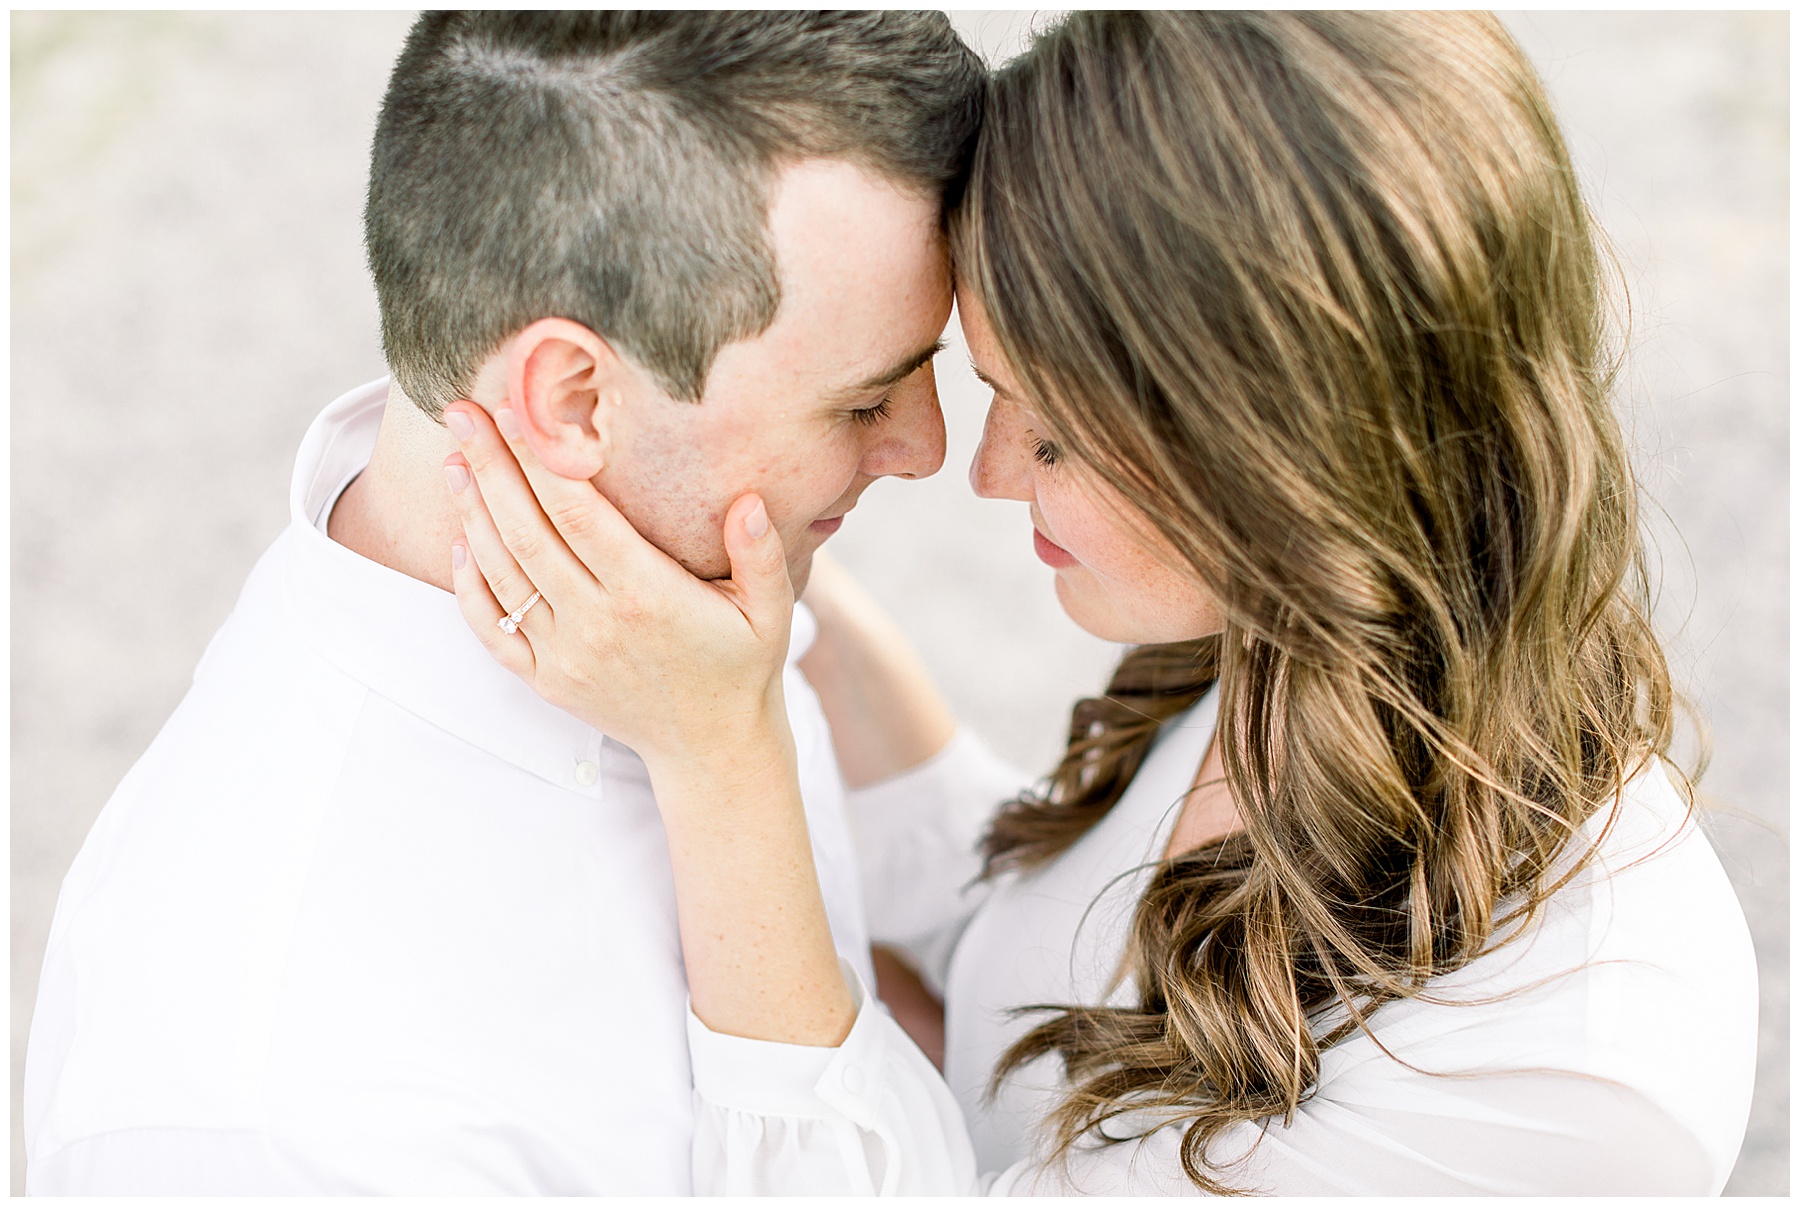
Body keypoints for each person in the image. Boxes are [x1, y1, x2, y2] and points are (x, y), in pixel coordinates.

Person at [441, 11, 1759, 1195]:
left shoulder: (1563, 1085)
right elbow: (1042, 942)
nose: (981, 469)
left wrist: (719, 757)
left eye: (1055, 433)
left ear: (1291, 452)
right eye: (993, 385)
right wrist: (758, 563)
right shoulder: (1303, 643)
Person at [22, 12, 983, 1194]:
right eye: (863, 403)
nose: (927, 449)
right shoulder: (288, 1113)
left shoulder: (670, 583)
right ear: (573, 400)